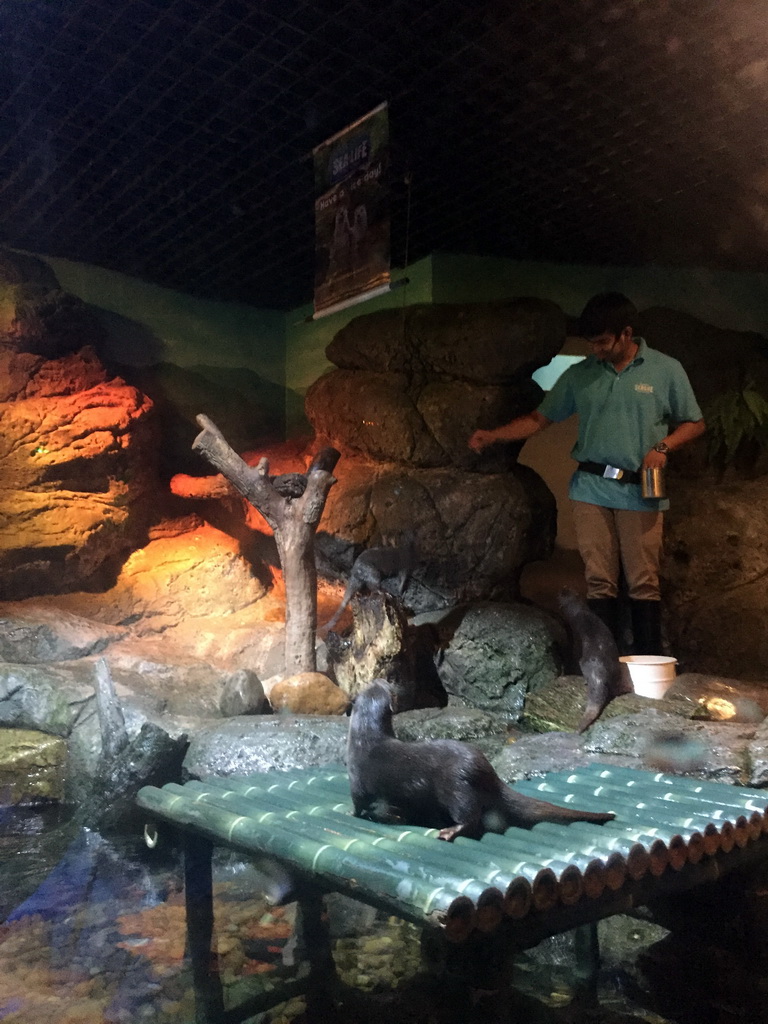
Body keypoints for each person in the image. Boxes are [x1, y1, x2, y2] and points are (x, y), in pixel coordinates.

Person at [468, 292, 705, 655]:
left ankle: (647, 662)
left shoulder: (665, 370)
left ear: (626, 334)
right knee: (599, 581)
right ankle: (603, 659)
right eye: (591, 342)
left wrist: (662, 448)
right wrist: (494, 435)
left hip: (639, 489)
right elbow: (538, 419)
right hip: (590, 487)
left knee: (643, 582)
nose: (595, 349)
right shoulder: (581, 375)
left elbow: (694, 422)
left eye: (602, 342)